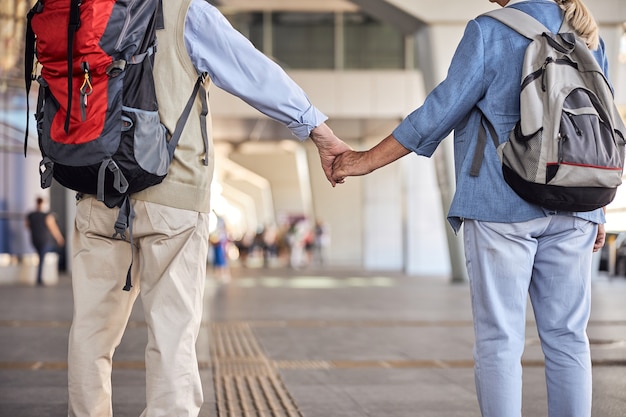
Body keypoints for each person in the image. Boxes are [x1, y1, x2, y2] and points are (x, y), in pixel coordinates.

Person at [67, 1, 350, 416]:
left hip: (96, 190)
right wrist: (318, 132)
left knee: (90, 333)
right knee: (172, 334)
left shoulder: (80, 9)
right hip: (173, 194)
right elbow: (254, 72)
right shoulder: (185, 12)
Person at [332, 1, 608, 416]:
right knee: (569, 338)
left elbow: (438, 112)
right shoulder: (585, 31)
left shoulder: (488, 31)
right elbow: (599, 127)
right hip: (577, 205)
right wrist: (598, 211)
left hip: (500, 204)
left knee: (500, 341)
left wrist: (364, 160)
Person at [25, 196, 64, 286]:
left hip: (35, 240)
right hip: (44, 240)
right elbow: (53, 228)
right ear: (43, 203)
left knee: (41, 257)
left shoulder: (30, 215)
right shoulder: (47, 216)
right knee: (43, 258)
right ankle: (39, 279)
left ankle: (39, 278)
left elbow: (27, 226)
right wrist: (59, 238)